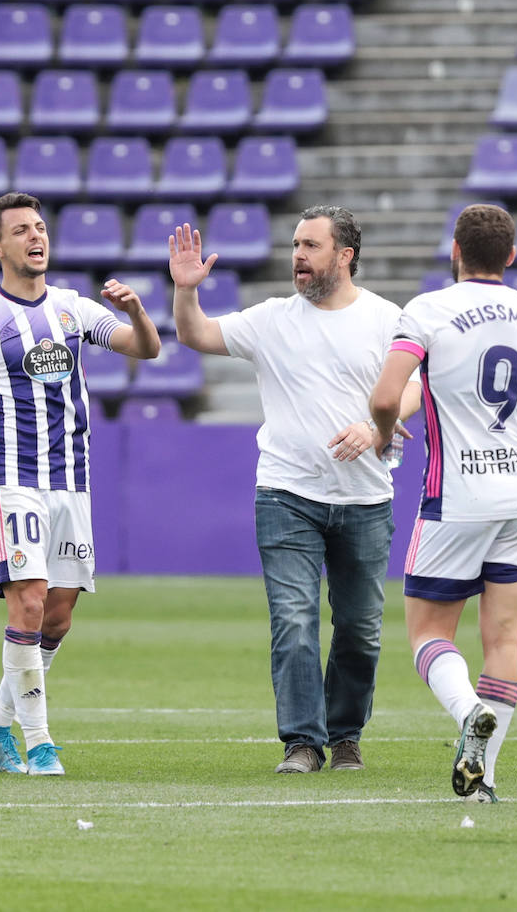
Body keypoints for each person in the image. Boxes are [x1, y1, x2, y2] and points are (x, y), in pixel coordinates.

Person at [170, 207, 421, 774]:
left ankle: (347, 735)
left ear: (345, 255)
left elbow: (414, 388)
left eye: (311, 245)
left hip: (364, 499)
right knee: (295, 620)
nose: (298, 256)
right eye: (295, 245)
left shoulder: (386, 318)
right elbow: (195, 334)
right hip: (286, 495)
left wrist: (376, 427)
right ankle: (302, 743)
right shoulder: (272, 319)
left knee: (359, 629)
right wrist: (186, 292)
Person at [369, 203, 517, 804]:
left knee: (427, 633)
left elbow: (388, 395)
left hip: (454, 496)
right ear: (510, 257)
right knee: (505, 639)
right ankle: (482, 780)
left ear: (455, 251)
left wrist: (384, 432)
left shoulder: (429, 310)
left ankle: (468, 713)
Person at [0, 192, 161, 776]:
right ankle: (39, 743)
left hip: (71, 481)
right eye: (21, 231)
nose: (35, 237)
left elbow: (146, 348)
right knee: (30, 598)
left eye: (40, 228)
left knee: (58, 614)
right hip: (10, 479)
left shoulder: (72, 308)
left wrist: (137, 310)